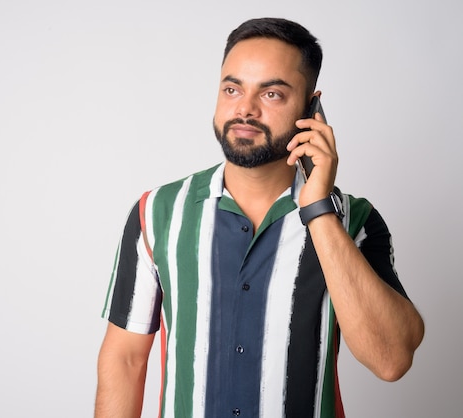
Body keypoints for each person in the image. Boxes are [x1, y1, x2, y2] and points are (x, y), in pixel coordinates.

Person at [94, 17, 424, 418]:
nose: (245, 109)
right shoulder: (156, 212)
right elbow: (125, 360)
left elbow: (391, 361)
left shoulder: (355, 221)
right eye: (232, 89)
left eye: (271, 94)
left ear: (311, 106)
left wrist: (318, 208)